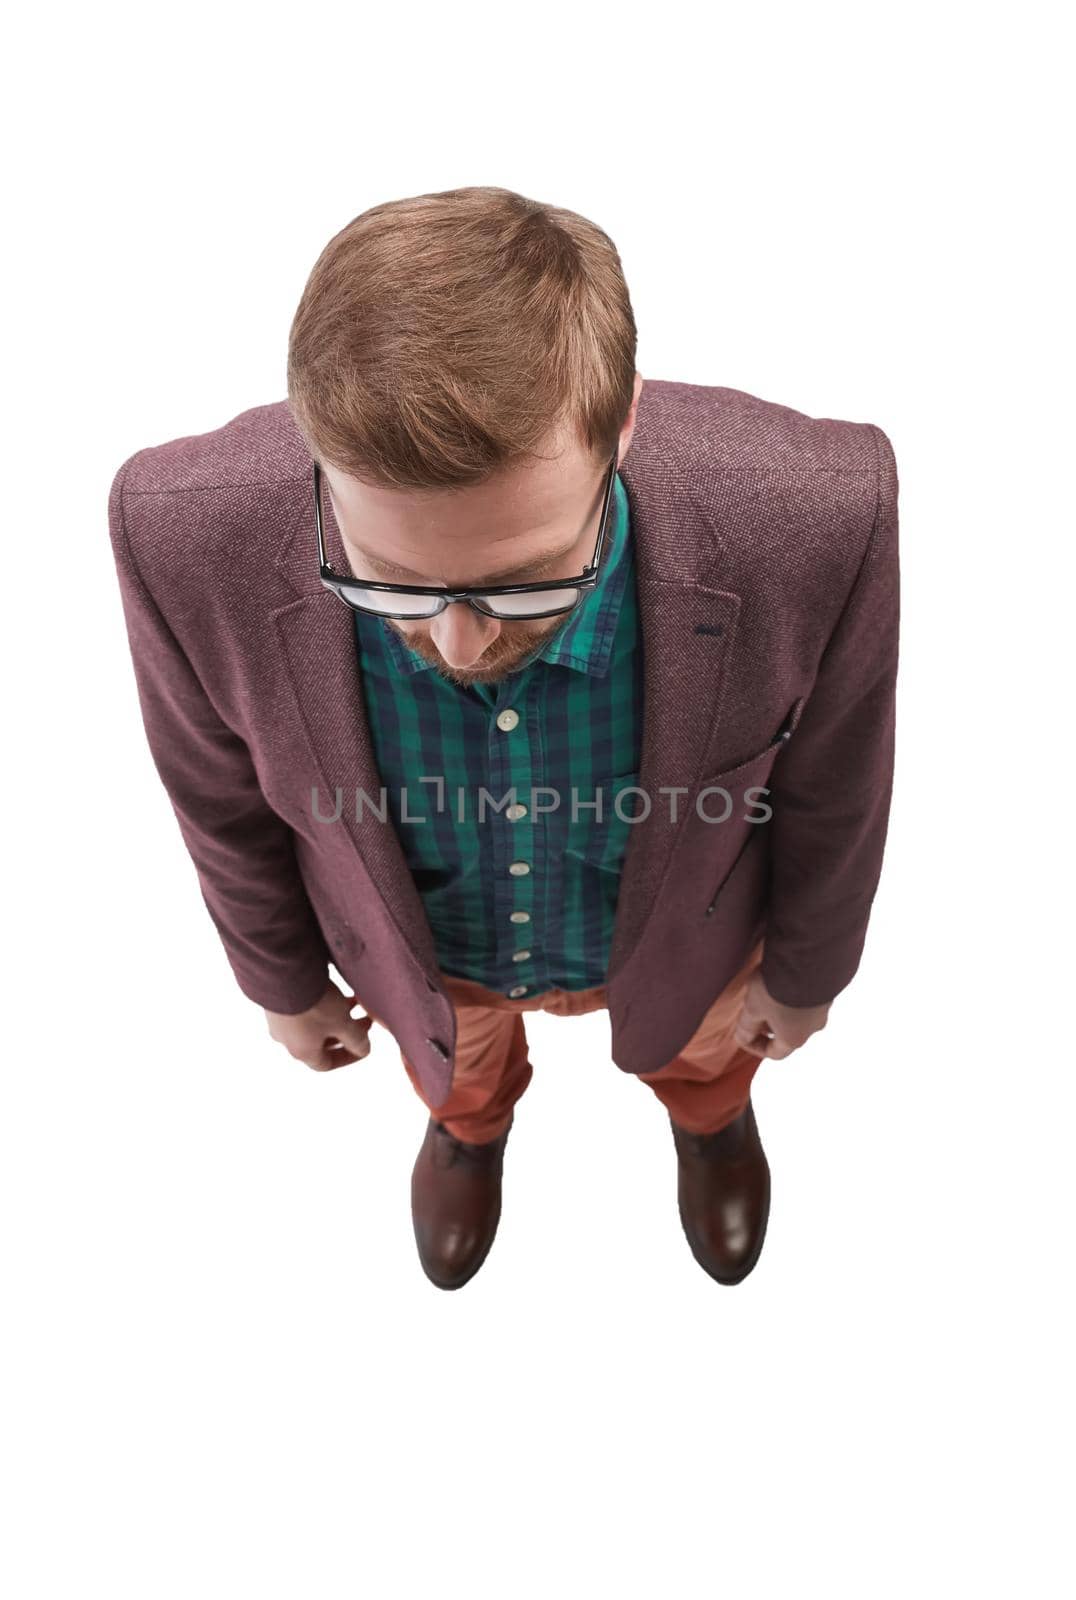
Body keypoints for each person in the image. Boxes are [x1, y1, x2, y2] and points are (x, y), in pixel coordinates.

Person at [107, 184, 899, 1291]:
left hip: (692, 939)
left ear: (620, 421)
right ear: (313, 450)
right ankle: (470, 1127)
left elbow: (835, 782)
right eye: (389, 579)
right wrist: (281, 983)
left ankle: (708, 1115)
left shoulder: (820, 513)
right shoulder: (178, 532)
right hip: (430, 958)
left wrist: (811, 972)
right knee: (460, 1068)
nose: (462, 639)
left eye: (525, 581)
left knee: (705, 1050)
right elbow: (218, 800)